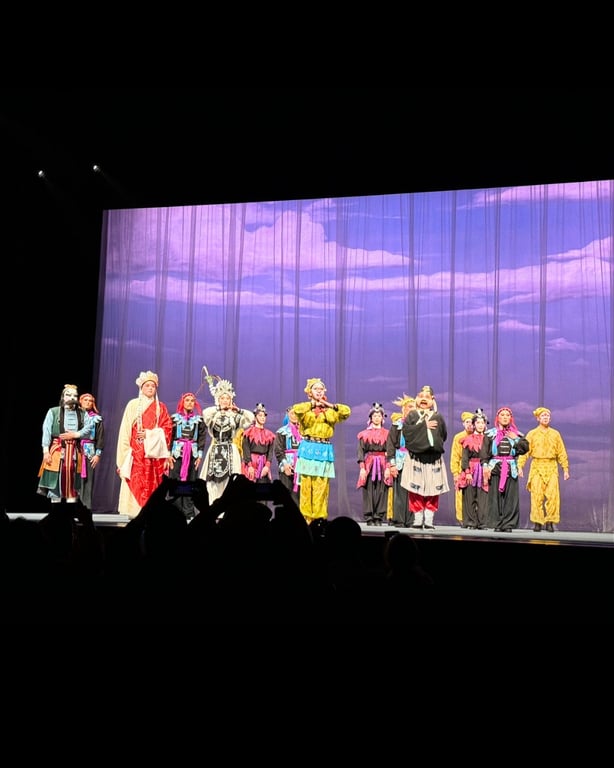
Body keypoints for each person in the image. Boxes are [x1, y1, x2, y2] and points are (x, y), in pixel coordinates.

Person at [292, 377, 351, 525]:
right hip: (308, 448)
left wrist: (328, 404)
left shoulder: (330, 411)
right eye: (315, 389)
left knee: (321, 486)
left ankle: (318, 519)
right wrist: (313, 404)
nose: (318, 391)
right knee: (307, 486)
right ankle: (306, 519)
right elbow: (296, 409)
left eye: (321, 389)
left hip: (323, 450)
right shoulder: (305, 409)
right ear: (310, 392)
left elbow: (346, 412)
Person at [116, 371, 173, 518]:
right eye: (147, 385)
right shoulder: (133, 404)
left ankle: (151, 511)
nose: (150, 388)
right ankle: (133, 511)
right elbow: (125, 429)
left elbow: (167, 430)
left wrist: (149, 434)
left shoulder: (161, 407)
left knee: (152, 482)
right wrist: (125, 453)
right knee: (135, 478)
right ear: (141, 388)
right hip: (136, 451)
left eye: (153, 386)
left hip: (153, 454)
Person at [198, 375, 254, 504]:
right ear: (218, 399)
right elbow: (205, 414)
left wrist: (238, 410)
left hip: (230, 449)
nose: (225, 400)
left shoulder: (235, 416)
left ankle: (227, 508)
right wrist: (219, 408)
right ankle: (213, 506)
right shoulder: (213, 414)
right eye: (222, 398)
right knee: (212, 481)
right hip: (215, 449)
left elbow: (250, 418)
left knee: (230, 480)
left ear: (231, 400)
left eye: (227, 398)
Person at [401, 384, 450, 530]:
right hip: (415, 457)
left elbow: (443, 435)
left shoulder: (438, 417)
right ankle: (417, 519)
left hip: (433, 458)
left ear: (432, 400)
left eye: (427, 397)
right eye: (421, 396)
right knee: (415, 489)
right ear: (417, 399)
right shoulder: (412, 416)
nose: (424, 399)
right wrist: (423, 426)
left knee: (433, 489)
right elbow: (406, 432)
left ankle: (428, 519)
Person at [37, 384, 93, 505]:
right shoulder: (53, 412)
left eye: (75, 395)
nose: (72, 397)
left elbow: (89, 428)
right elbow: (46, 431)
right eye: (68, 395)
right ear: (63, 397)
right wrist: (45, 451)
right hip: (57, 451)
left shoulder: (83, 413)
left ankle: (70, 512)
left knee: (73, 485)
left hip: (74, 453)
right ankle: (56, 511)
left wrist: (76, 434)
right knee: (55, 483)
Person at [517, 407, 570, 532]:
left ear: (550, 418)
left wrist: (565, 468)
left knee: (553, 495)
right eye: (543, 416)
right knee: (536, 495)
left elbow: (561, 452)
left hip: (551, 466)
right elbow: (525, 451)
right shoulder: (532, 434)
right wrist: (520, 466)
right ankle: (537, 521)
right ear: (538, 418)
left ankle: (550, 521)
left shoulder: (555, 434)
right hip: (537, 466)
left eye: (547, 416)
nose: (545, 417)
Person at [480, 406, 529, 532]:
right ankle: (497, 523)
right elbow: (484, 453)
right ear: (498, 418)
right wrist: (485, 467)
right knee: (494, 498)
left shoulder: (516, 434)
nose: (505, 417)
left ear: (511, 418)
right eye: (502, 415)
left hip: (510, 468)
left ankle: (508, 524)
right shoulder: (490, 434)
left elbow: (525, 449)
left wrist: (515, 439)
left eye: (507, 415)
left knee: (510, 498)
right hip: (495, 467)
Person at [168, 392, 206, 522]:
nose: (190, 403)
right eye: (187, 400)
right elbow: (170, 436)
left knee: (191, 481)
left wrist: (200, 456)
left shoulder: (199, 420)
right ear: (182, 402)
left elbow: (201, 438)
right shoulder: (175, 419)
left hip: (192, 453)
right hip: (177, 453)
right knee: (176, 480)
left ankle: (188, 511)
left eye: (192, 401)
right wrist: (168, 454)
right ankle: (175, 510)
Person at [356, 402, 391, 526]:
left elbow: (390, 451)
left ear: (382, 418)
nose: (377, 418)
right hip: (370, 462)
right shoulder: (364, 434)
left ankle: (379, 516)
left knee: (382, 490)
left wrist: (388, 467)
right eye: (374, 416)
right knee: (368, 489)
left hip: (383, 462)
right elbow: (360, 451)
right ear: (370, 418)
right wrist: (362, 468)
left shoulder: (387, 434)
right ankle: (369, 516)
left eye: (379, 416)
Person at [385, 394, 416, 528]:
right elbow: (390, 445)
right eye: (409, 407)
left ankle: (411, 520)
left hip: (414, 460)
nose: (412, 409)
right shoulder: (396, 426)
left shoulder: (419, 426)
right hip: (400, 460)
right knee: (400, 491)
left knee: (413, 491)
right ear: (403, 409)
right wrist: (392, 464)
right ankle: (399, 520)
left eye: (414, 407)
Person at [458, 408, 489, 529]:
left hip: (484, 469)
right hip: (471, 469)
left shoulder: (488, 439)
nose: (480, 425)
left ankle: (482, 523)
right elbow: (465, 457)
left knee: (482, 498)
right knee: (469, 496)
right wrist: (467, 472)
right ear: (474, 424)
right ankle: (470, 522)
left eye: (482, 423)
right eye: (478, 423)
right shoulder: (468, 439)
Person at [77, 392, 104, 510]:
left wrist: (98, 455)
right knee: (75, 479)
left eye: (90, 401)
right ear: (80, 402)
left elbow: (100, 437)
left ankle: (86, 508)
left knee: (88, 480)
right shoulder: (75, 416)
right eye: (85, 400)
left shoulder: (96, 418)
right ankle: (72, 507)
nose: (88, 402)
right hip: (76, 450)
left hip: (89, 451)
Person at [450, 411, 475, 527]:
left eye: (471, 422)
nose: (469, 424)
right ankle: (461, 518)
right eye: (467, 422)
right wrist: (455, 473)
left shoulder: (479, 436)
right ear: (463, 424)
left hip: (475, 468)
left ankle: (474, 518)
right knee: (460, 495)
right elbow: (455, 456)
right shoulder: (458, 437)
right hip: (462, 469)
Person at [274, 406, 302, 507]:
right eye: (292, 413)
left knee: (300, 495)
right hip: (287, 465)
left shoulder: (304, 433)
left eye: (296, 414)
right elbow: (278, 450)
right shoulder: (282, 432)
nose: (294, 416)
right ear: (288, 415)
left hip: (301, 467)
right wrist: (285, 465)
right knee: (286, 494)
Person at [242, 403, 276, 484]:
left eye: (264, 416)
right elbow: (246, 451)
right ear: (255, 417)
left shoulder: (269, 435)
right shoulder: (248, 433)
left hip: (263, 464)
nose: (263, 418)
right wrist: (250, 466)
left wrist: (267, 466)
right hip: (251, 464)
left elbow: (270, 452)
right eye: (260, 415)